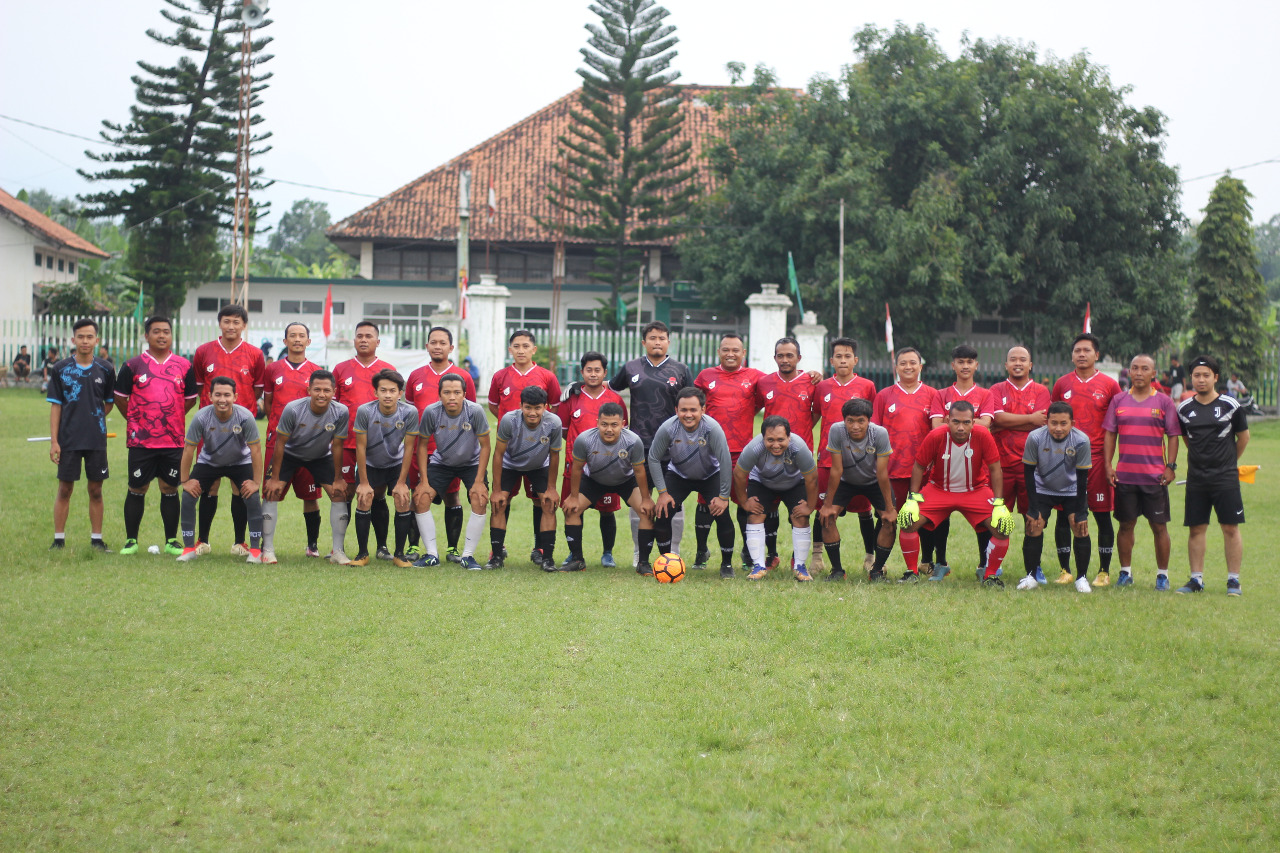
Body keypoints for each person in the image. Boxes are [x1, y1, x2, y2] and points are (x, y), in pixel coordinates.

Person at [895, 401, 1014, 585]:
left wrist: (999, 503)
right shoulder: (936, 435)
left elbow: (995, 469)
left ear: (974, 422)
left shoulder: (983, 435)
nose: (960, 427)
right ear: (947, 420)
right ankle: (911, 572)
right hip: (939, 490)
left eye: (966, 422)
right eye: (956, 422)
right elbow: (919, 466)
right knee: (907, 519)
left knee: (1003, 526)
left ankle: (990, 575)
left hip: (975, 490)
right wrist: (912, 498)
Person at [609, 321, 694, 564]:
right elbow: (610, 390)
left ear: (669, 341)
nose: (657, 342)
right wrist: (579, 387)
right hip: (639, 446)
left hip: (674, 446)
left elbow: (693, 403)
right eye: (653, 338)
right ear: (644, 342)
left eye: (662, 338)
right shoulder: (631, 367)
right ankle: (640, 550)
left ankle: (672, 552)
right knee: (640, 500)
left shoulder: (680, 369)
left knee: (673, 501)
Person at [114, 315, 198, 556]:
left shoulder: (184, 365)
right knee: (136, 488)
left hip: (172, 440)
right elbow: (120, 397)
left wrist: (169, 419)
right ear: (146, 335)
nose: (162, 336)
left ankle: (172, 541)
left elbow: (190, 399)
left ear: (172, 335)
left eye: (166, 332)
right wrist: (136, 420)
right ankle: (131, 541)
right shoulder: (132, 365)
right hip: (141, 441)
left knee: (169, 488)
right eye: (156, 331)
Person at [1101, 354, 1181, 589]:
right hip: (1125, 476)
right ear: (1129, 371)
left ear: (1153, 373)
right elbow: (1110, 434)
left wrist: (1171, 466)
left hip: (1154, 478)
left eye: (1144, 368)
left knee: (1159, 527)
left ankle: (1163, 576)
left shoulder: (1164, 402)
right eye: (1134, 368)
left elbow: (1173, 435)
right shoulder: (1118, 400)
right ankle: (1125, 573)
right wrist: (1108, 465)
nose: (1138, 372)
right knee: (1126, 525)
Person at [192, 303, 266, 555]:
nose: (231, 326)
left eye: (236, 322)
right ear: (219, 323)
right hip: (210, 429)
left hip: (242, 430)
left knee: (240, 485)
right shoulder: (203, 352)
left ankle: (239, 542)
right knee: (209, 484)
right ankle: (202, 540)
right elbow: (201, 387)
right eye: (226, 321)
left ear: (244, 325)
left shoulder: (255, 355)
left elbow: (255, 390)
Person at [1176, 355, 1249, 595]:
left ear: (1215, 377)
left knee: (1230, 527)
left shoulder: (1231, 405)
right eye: (1197, 375)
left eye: (1206, 375)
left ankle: (1233, 581)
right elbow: (1188, 441)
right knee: (1196, 528)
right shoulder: (1184, 408)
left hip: (1225, 478)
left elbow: (1243, 438)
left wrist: (1228, 463)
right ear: (1191, 378)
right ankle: (1196, 580)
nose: (1201, 379)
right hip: (1197, 479)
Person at [260, 371, 350, 565]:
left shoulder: (341, 411)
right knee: (271, 492)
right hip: (290, 454)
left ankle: (338, 551)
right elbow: (280, 443)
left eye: (327, 390)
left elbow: (337, 445)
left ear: (334, 392)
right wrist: (275, 478)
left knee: (338, 494)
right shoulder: (293, 409)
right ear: (308, 390)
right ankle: (267, 549)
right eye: (317, 389)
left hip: (320, 456)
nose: (321, 394)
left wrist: (338, 477)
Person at [1052, 333, 1121, 585]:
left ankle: (1103, 571)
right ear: (1072, 355)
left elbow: (1115, 426)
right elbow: (1054, 423)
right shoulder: (1061, 384)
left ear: (1096, 355)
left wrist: (1111, 463)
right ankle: (1065, 570)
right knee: (1063, 515)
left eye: (1086, 350)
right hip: (1065, 461)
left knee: (1102, 515)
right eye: (1077, 350)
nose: (1081, 354)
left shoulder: (1110, 385)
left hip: (1097, 462)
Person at [488, 329, 561, 564]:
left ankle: (540, 550)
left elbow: (554, 410)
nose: (521, 350)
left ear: (533, 349)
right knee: (502, 498)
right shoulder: (500, 376)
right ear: (510, 349)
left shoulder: (547, 376)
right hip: (509, 449)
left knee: (541, 500)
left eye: (525, 346)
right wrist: (513, 430)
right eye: (516, 346)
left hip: (538, 453)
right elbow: (494, 407)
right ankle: (497, 551)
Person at [406, 326, 478, 562]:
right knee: (418, 494)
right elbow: (408, 410)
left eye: (442, 342)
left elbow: (472, 413)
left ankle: (452, 549)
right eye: (433, 342)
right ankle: (415, 547)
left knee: (452, 496)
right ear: (426, 346)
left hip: (454, 450)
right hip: (422, 447)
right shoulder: (415, 375)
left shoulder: (463, 376)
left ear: (451, 347)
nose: (437, 346)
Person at [647, 387, 735, 577]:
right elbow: (653, 457)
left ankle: (726, 565)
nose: (688, 414)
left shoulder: (712, 428)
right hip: (679, 475)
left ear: (703, 410)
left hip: (710, 475)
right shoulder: (668, 428)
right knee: (662, 513)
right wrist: (662, 493)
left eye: (693, 410)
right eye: (683, 410)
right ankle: (666, 562)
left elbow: (725, 460)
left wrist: (724, 496)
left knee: (722, 515)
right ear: (676, 410)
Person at [695, 333, 765, 568]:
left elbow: (778, 384)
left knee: (743, 502)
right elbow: (692, 405)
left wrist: (812, 375)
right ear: (719, 352)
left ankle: (747, 553)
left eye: (736, 350)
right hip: (710, 451)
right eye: (726, 349)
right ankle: (701, 552)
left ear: (743, 353)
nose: (731, 354)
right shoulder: (706, 376)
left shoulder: (754, 377)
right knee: (706, 502)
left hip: (742, 453)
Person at [984, 346, 1054, 581]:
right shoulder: (996, 389)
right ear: (1006, 365)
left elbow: (1042, 423)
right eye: (1013, 359)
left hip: (1032, 466)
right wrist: (1028, 420)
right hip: (1001, 466)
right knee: (997, 516)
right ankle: (992, 564)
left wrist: (1008, 422)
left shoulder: (1041, 390)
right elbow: (997, 418)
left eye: (1023, 359)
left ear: (1030, 365)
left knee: (1032, 518)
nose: (1017, 362)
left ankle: (1034, 567)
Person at [176, 376, 263, 563]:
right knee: (188, 495)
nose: (222, 399)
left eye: (227, 395)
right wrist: (185, 481)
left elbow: (255, 450)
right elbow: (189, 449)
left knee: (253, 496)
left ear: (235, 397)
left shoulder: (245, 417)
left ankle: (255, 549)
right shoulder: (201, 417)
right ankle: (189, 548)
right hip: (209, 462)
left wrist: (256, 482)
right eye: (217, 395)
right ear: (209, 396)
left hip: (240, 462)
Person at [754, 336, 824, 570]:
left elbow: (817, 412)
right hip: (770, 456)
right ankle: (772, 554)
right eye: (780, 355)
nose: (784, 359)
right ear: (775, 358)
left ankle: (799, 557)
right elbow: (754, 408)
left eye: (789, 355)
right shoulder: (764, 383)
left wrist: (801, 432)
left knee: (799, 507)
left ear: (799, 358)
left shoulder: (812, 382)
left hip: (799, 458)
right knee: (770, 506)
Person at [561, 403, 657, 573]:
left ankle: (643, 563)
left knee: (646, 512)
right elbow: (576, 468)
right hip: (593, 480)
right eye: (604, 424)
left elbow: (639, 471)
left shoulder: (633, 441)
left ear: (623, 423)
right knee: (571, 510)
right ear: (597, 422)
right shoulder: (584, 439)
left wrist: (647, 499)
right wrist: (574, 497)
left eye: (614, 425)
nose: (609, 429)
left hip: (625, 480)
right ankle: (577, 560)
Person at [47, 319, 115, 552]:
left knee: (96, 490)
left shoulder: (106, 369)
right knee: (65, 489)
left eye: (89, 337)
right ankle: (58, 540)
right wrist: (55, 441)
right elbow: (56, 407)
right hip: (68, 440)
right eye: (80, 337)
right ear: (73, 340)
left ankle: (97, 539)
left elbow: (108, 404)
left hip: (96, 440)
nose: (85, 341)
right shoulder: (60, 369)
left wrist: (91, 418)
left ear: (97, 340)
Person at [926, 344, 993, 580]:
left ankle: (984, 564)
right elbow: (935, 427)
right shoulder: (940, 394)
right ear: (953, 365)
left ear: (976, 365)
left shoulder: (986, 394)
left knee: (984, 519)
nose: (965, 366)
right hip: (943, 468)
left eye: (970, 362)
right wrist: (971, 424)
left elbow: (987, 424)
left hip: (976, 468)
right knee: (940, 518)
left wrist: (952, 423)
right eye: (960, 362)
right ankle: (941, 562)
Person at [812, 338, 878, 574]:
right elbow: (814, 417)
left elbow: (873, 422)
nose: (843, 360)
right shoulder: (821, 388)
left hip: (858, 461)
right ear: (831, 361)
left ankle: (870, 556)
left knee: (864, 510)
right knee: (823, 508)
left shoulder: (867, 386)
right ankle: (817, 556)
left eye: (847, 356)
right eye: (838, 356)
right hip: (827, 460)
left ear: (855, 360)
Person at [556, 351, 628, 568]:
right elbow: (564, 430)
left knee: (607, 511)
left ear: (605, 373)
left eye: (598, 370)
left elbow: (623, 431)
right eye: (589, 370)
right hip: (576, 466)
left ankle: (608, 553)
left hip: (607, 466)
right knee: (574, 508)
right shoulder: (571, 397)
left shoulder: (615, 399)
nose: (593, 374)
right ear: (582, 372)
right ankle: (575, 554)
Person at [414, 374, 491, 570]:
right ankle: (431, 554)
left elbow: (486, 446)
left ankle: (468, 556)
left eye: (457, 392)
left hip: (471, 463)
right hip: (443, 462)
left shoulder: (475, 411)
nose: (452, 397)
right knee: (421, 497)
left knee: (479, 498)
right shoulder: (431, 412)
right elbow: (421, 445)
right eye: (446, 392)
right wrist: (423, 480)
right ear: (439, 395)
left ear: (464, 394)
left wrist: (479, 480)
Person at [872, 347, 939, 574]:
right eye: (903, 363)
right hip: (891, 471)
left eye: (913, 362)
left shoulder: (933, 394)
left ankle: (927, 561)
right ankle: (878, 566)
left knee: (925, 518)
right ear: (896, 367)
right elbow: (874, 432)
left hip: (925, 471)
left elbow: (938, 432)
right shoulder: (884, 395)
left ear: (921, 366)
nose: (908, 367)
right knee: (886, 518)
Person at [333, 321, 396, 560]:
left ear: (377, 342)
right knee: (346, 492)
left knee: (377, 494)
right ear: (354, 340)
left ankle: (381, 547)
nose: (363, 339)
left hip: (380, 444)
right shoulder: (340, 369)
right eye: (359, 335)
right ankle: (338, 548)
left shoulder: (387, 369)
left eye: (369, 336)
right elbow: (334, 406)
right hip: (348, 442)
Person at [817, 398, 897, 582]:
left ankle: (876, 571)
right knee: (826, 518)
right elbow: (836, 470)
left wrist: (890, 509)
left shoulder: (880, 433)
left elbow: (882, 474)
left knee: (889, 521)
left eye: (861, 420)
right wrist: (827, 505)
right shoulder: (837, 431)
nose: (855, 426)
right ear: (844, 420)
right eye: (850, 420)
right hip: (846, 481)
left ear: (869, 420)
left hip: (874, 481)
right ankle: (837, 571)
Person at [1016, 402, 1093, 593]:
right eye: (1053, 423)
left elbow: (1083, 479)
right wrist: (1033, 508)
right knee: (1034, 525)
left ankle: (1082, 578)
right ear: (1047, 422)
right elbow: (1028, 474)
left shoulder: (1082, 440)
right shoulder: (1035, 437)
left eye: (1063, 423)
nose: (1058, 428)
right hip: (1043, 489)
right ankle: (1031, 576)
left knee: (1080, 527)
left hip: (1072, 490)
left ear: (1072, 423)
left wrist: (1082, 511)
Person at [262, 323, 324, 557]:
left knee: (311, 496)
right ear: (285, 341)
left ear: (309, 341)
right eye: (292, 336)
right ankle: (267, 546)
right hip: (278, 442)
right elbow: (268, 404)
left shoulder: (317, 371)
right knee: (270, 492)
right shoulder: (273, 370)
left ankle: (312, 545)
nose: (297, 339)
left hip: (310, 443)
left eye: (302, 336)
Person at [734, 416, 820, 582]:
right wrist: (744, 502)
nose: (775, 445)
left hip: (794, 482)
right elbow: (739, 474)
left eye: (781, 439)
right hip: (762, 481)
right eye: (770, 440)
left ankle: (800, 567)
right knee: (754, 515)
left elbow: (812, 478)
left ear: (789, 437)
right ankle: (758, 566)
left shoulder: (799, 447)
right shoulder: (754, 448)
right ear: (763, 438)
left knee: (800, 517)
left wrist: (810, 506)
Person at [350, 369, 419, 566]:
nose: (387, 395)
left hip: (396, 463)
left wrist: (401, 482)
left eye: (392, 390)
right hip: (370, 463)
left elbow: (409, 448)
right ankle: (362, 554)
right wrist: (363, 482)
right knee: (364, 499)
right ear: (375, 393)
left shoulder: (409, 412)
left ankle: (399, 554)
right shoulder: (365, 411)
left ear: (400, 393)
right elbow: (360, 447)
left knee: (402, 498)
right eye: (383, 390)